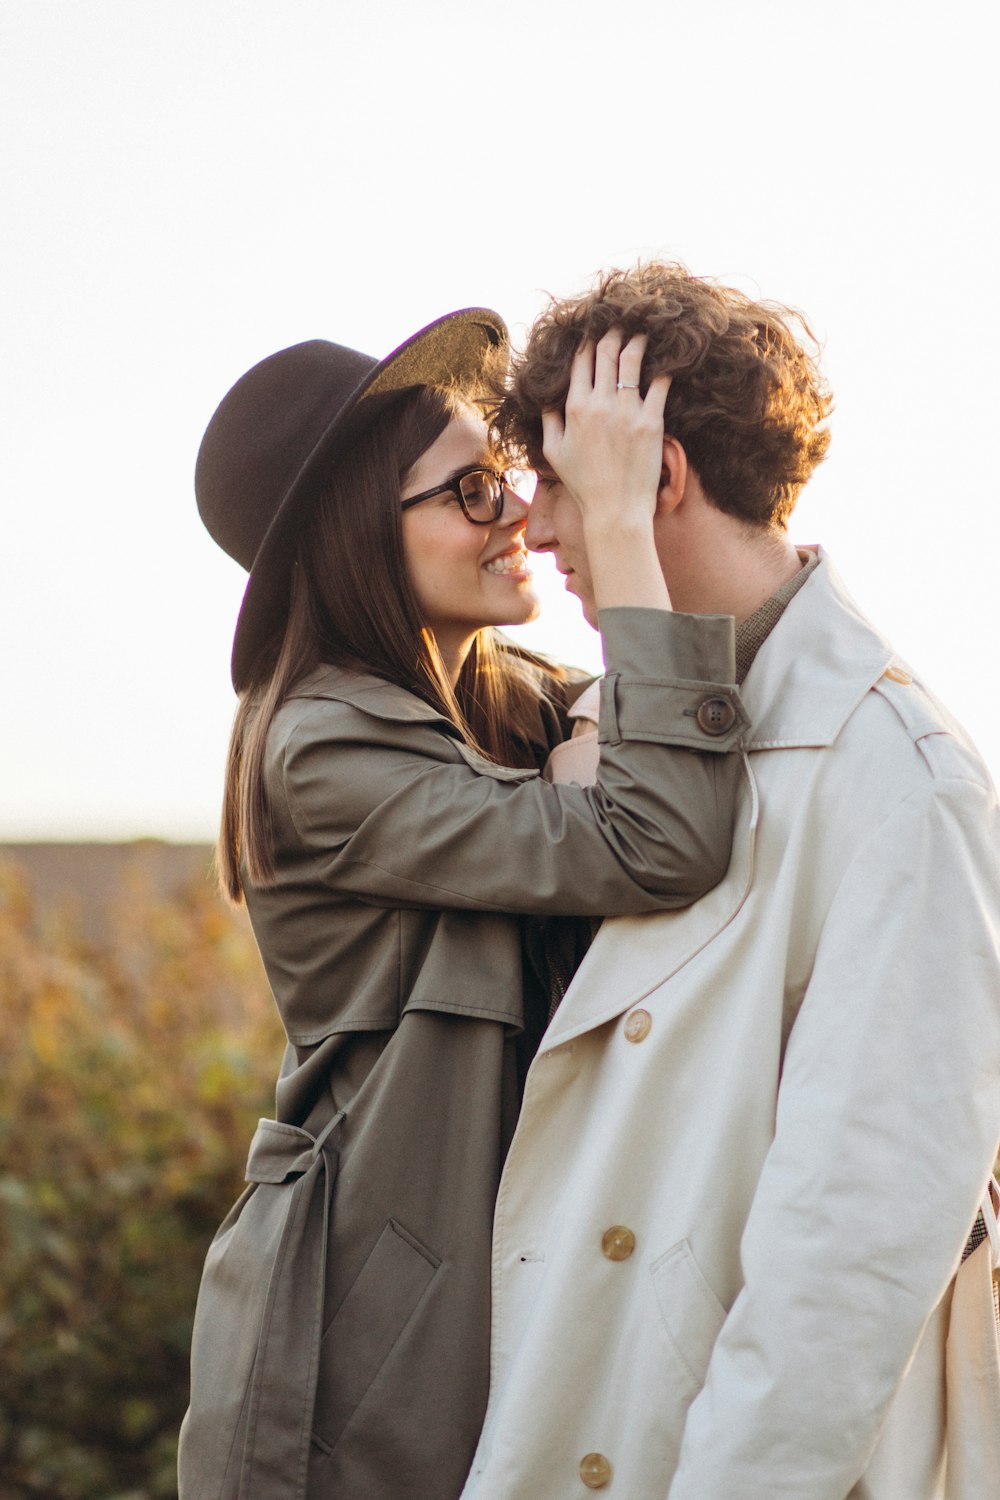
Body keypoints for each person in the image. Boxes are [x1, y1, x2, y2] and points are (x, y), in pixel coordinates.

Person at [177, 308, 749, 1500]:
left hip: (488, 1301)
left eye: (508, 480)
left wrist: (588, 735)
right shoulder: (320, 749)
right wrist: (620, 538)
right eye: (473, 493)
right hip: (365, 1347)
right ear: (357, 541)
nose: (519, 523)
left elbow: (674, 727)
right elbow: (658, 838)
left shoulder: (505, 699)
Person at [462, 265, 1000, 1500]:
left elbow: (847, 1256)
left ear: (655, 475)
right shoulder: (611, 731)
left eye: (554, 476)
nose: (535, 532)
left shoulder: (902, 779)